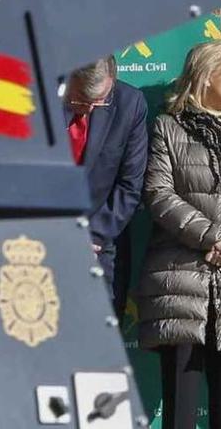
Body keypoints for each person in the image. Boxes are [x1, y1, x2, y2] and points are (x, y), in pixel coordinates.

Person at [136, 40, 221, 429]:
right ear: (206, 74)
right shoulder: (168, 127)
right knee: (180, 410)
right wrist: (214, 237)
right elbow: (158, 194)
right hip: (179, 279)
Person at [64, 55, 147, 313]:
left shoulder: (129, 105)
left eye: (99, 100)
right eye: (80, 100)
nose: (89, 108)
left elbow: (130, 184)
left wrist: (90, 236)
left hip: (98, 244)